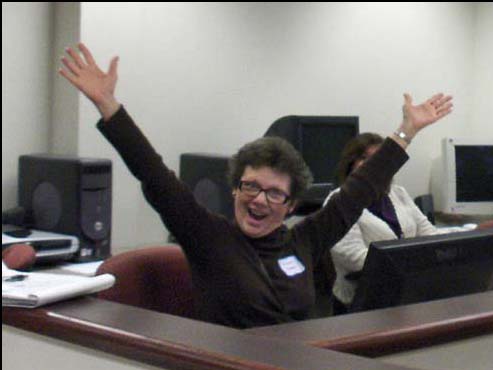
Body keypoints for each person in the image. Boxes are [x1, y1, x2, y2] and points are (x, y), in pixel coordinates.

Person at [58, 43, 453, 328]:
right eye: (249, 187)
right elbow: (154, 175)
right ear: (235, 189)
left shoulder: (305, 240)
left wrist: (406, 131)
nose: (259, 199)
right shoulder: (207, 237)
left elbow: (359, 189)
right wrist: (109, 107)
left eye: (274, 193)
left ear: (290, 204)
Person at [324, 133, 456, 314]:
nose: (374, 165)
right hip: (361, 303)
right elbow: (354, 258)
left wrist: (458, 242)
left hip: (407, 293)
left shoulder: (398, 193)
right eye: (364, 158)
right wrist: (412, 262)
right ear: (350, 164)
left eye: (379, 158)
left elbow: (429, 233)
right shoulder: (339, 200)